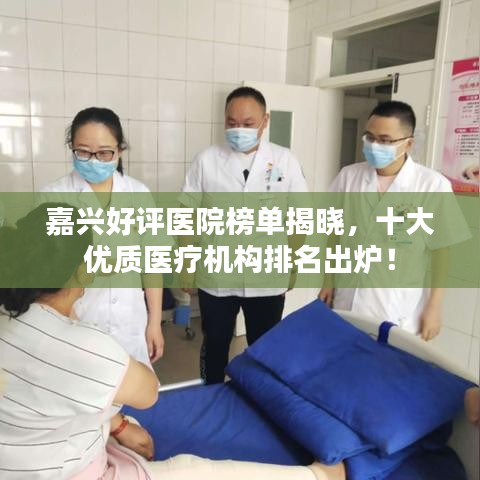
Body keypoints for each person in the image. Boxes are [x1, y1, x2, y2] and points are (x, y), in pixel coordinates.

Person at [0, 204, 345, 480]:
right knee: (192, 469)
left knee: (125, 422)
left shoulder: (10, 318)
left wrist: (118, 424)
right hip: (67, 467)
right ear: (81, 268)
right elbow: (147, 392)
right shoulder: (87, 349)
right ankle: (317, 476)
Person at [180, 86, 309, 384]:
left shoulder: (285, 160)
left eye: (248, 123)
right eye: (232, 122)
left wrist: (293, 264)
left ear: (265, 120)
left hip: (268, 274)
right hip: (217, 273)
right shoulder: (206, 159)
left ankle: (259, 396)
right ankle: (211, 392)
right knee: (215, 343)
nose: (239, 130)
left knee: (264, 347)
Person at [318, 101, 469, 340]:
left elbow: (442, 250)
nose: (374, 145)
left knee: (388, 359)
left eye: (385, 140)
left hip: (397, 307)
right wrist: (328, 281)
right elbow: (334, 233)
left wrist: (434, 306)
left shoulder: (431, 185)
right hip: (348, 299)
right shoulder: (349, 176)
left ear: (408, 143)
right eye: (370, 137)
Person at [42, 107, 164, 365]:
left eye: (104, 152)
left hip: (130, 323)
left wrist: (154, 322)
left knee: (133, 386)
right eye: (83, 151)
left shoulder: (139, 194)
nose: (93, 160)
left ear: (120, 151)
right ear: (72, 148)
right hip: (75, 323)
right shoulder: (54, 196)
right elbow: (48, 273)